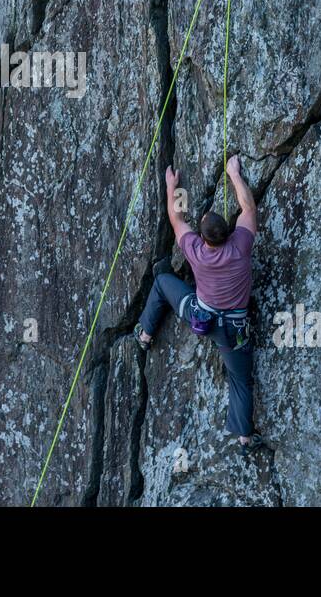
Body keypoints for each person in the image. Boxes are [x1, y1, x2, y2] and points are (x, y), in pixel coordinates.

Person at [134, 154, 268, 452]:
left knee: (162, 282)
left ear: (204, 237)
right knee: (240, 379)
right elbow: (248, 207)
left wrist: (172, 186)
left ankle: (144, 334)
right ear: (228, 234)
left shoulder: (195, 248)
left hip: (201, 317)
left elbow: (176, 218)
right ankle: (245, 437)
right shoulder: (241, 246)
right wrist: (233, 173)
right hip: (233, 330)